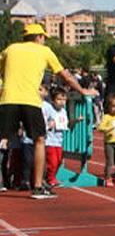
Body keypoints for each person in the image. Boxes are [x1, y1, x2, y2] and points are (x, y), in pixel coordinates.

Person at [0, 23, 97, 198]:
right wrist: (82, 91)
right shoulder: (44, 51)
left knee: (2, 139)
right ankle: (37, 187)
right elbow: (65, 75)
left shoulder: (10, 49)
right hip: (30, 100)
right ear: (39, 37)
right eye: (43, 37)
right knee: (39, 140)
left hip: (8, 99)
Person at [40, 86, 73, 188]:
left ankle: (50, 177)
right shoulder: (49, 109)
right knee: (52, 161)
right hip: (50, 140)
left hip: (59, 141)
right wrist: (49, 125)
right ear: (53, 100)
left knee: (59, 161)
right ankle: (50, 179)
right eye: (59, 99)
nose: (62, 102)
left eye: (64, 100)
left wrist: (75, 121)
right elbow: (45, 121)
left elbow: (66, 123)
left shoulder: (63, 111)